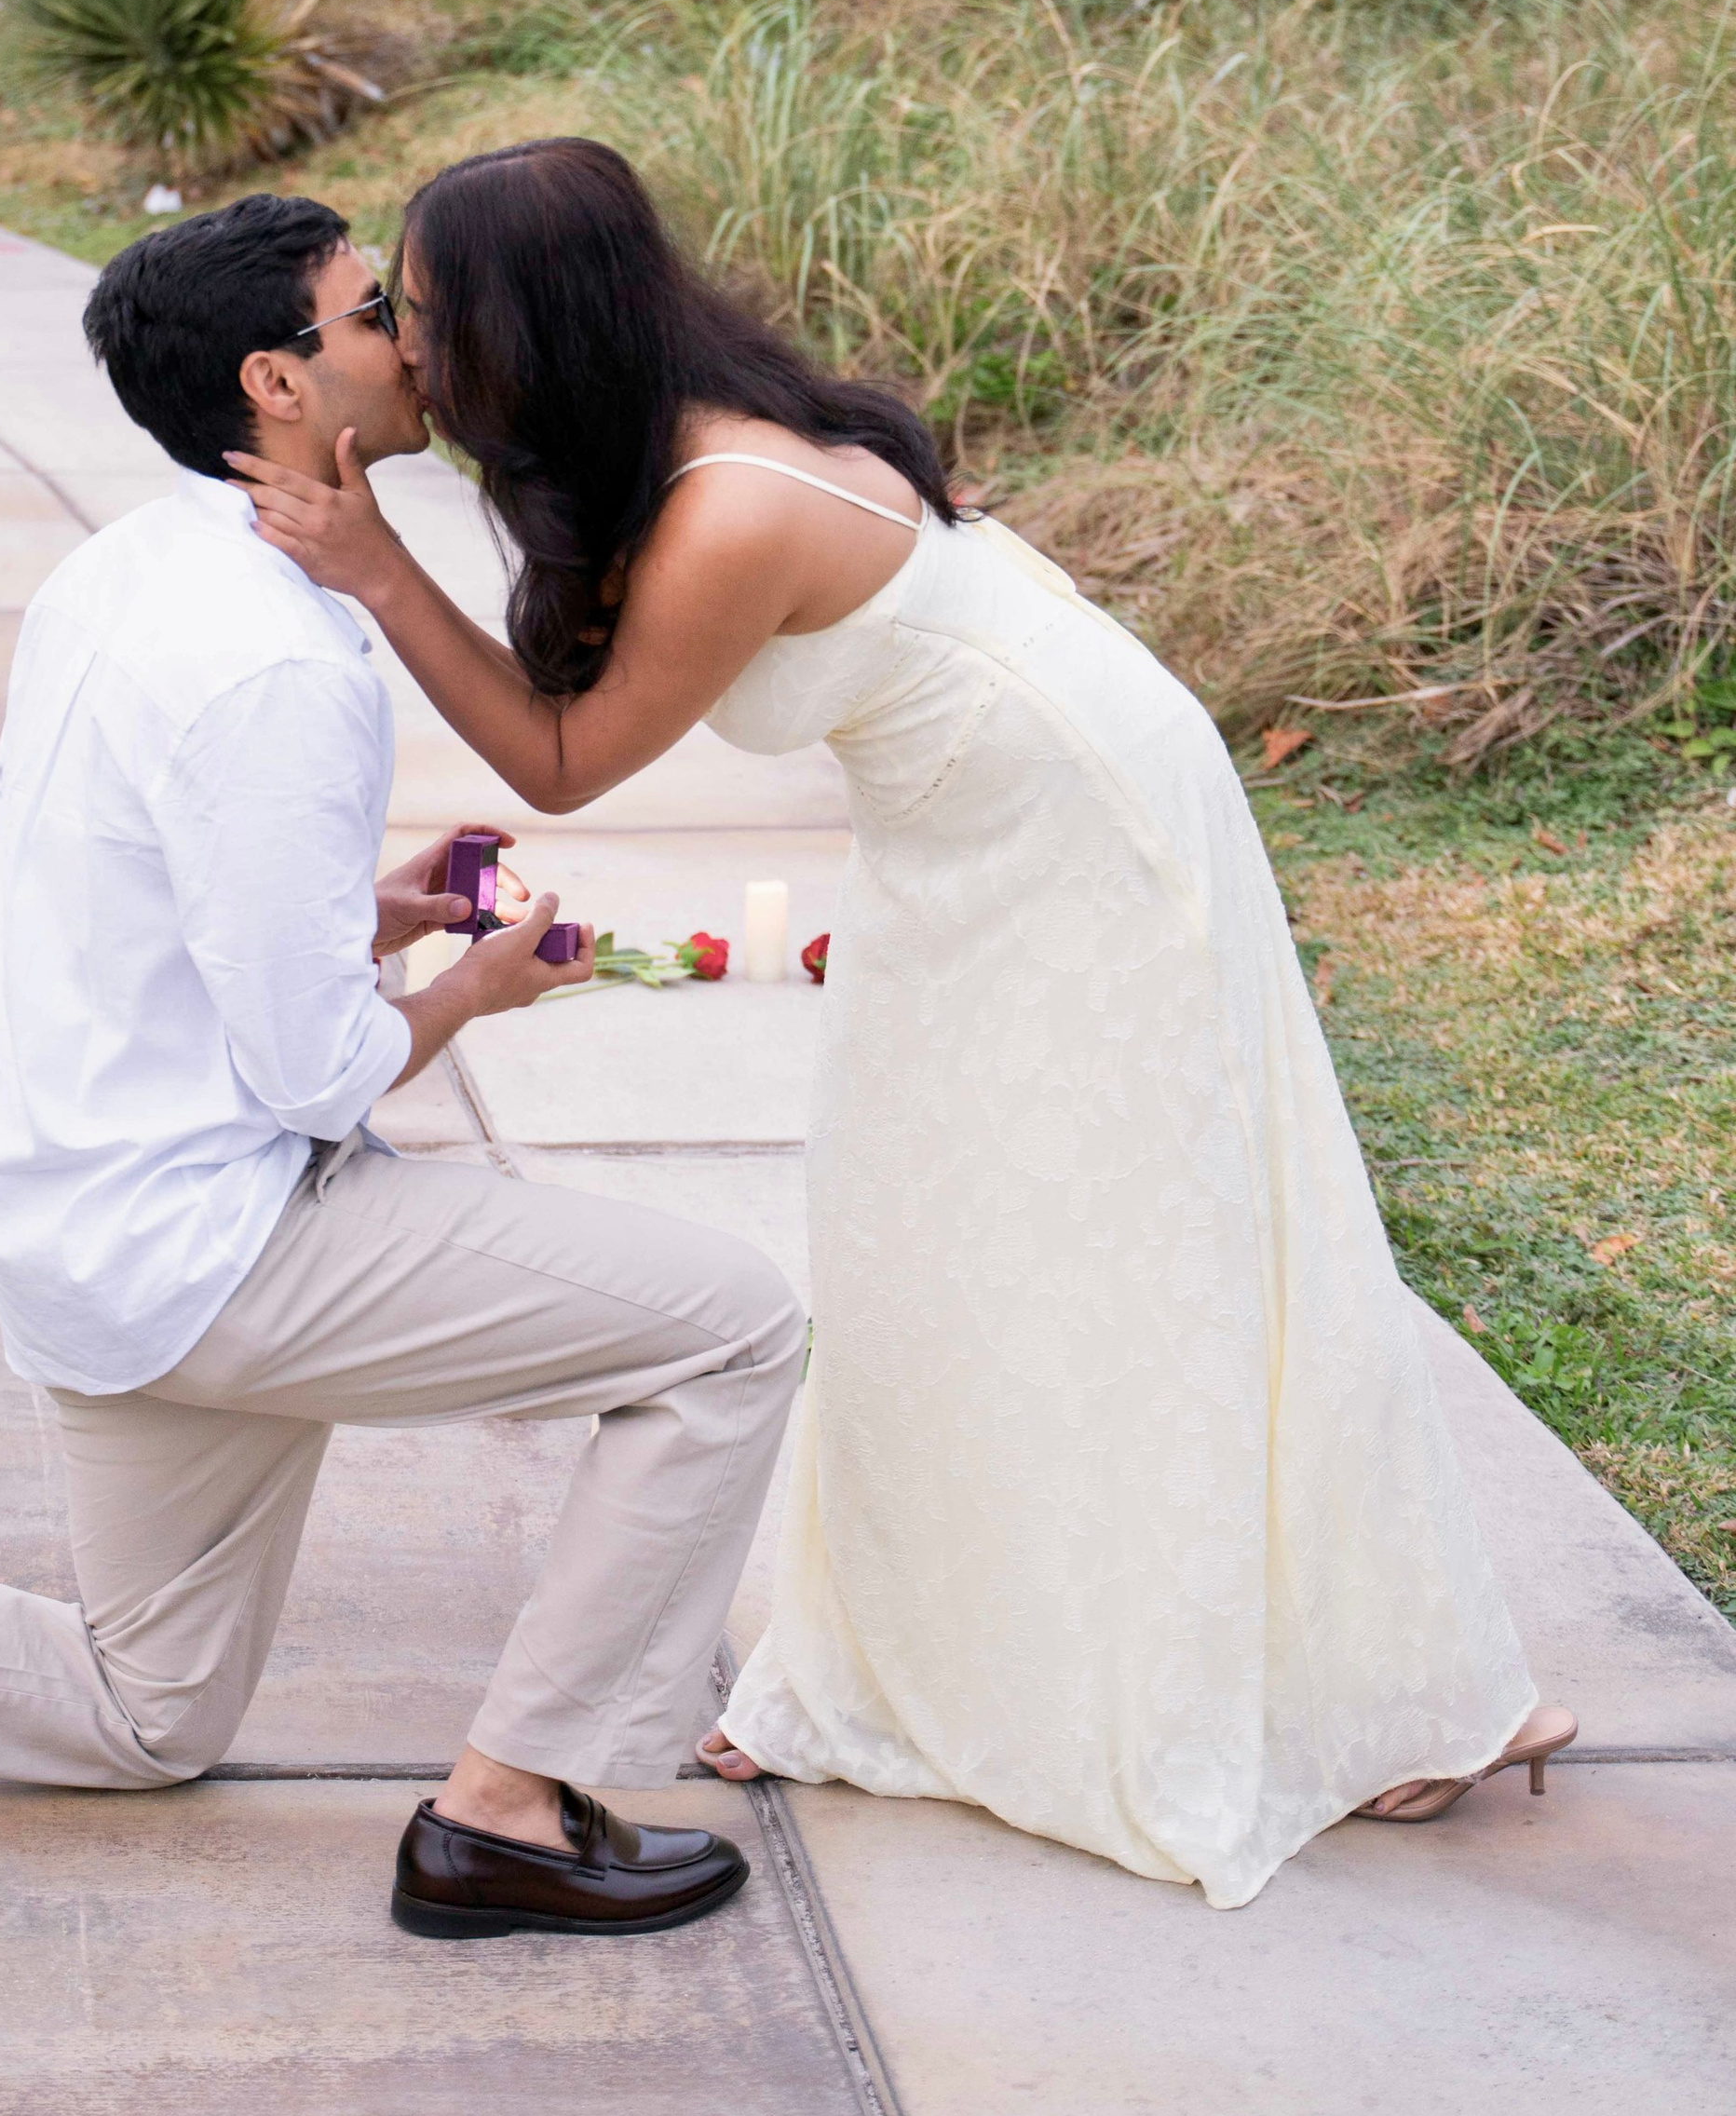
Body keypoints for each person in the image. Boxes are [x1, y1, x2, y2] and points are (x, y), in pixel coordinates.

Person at [228, 139, 1576, 1910]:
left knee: (1138, 1241)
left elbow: (565, 760)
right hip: (967, 841)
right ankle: (901, 1671)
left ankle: (1384, 1689)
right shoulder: (661, 447)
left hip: (1091, 838)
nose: (405, 339)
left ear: (530, 325)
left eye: (425, 302)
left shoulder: (732, 499)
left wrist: (378, 568)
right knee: (927, 1232)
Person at [0, 192, 804, 1942]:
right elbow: (314, 1076)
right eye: (379, 313)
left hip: (91, 1238)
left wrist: (360, 912)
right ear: (279, 382)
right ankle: (507, 1810)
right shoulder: (281, 665)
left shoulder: (127, 567)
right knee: (736, 1322)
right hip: (229, 1245)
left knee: (152, 1716)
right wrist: (476, 994)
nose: (416, 341)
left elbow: (145, 908)